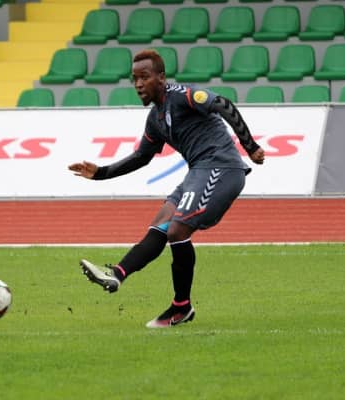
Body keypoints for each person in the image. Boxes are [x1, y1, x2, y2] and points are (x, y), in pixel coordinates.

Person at [68, 49, 265, 329]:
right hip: (197, 172)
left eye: (144, 77)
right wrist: (101, 173)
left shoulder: (183, 95)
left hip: (221, 168)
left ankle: (181, 307)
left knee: (177, 230)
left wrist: (250, 146)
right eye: (134, 79)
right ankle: (117, 274)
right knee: (161, 223)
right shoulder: (155, 118)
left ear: (161, 77)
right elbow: (142, 157)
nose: (138, 84)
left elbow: (223, 103)